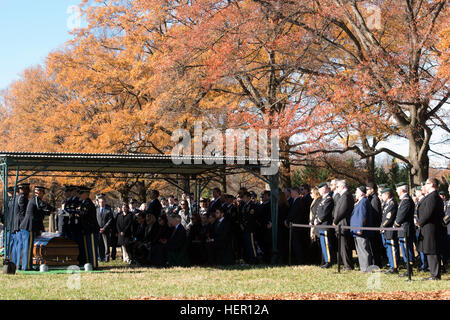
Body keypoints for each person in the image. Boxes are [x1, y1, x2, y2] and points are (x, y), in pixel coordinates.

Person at [19, 186, 54, 270]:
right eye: (42, 193)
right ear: (39, 192)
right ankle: (26, 266)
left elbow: (40, 212)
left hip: (28, 226)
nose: (43, 195)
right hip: (28, 226)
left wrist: (50, 211)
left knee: (28, 247)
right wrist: (54, 209)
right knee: (28, 247)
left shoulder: (34, 199)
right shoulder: (36, 199)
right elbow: (43, 205)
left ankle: (27, 265)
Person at [416, 178, 444, 280]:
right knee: (430, 250)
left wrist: (420, 222)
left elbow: (428, 213)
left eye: (426, 184)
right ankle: (433, 273)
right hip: (428, 228)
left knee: (432, 251)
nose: (425, 186)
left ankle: (435, 275)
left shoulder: (433, 197)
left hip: (431, 228)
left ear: (432, 184)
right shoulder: (431, 196)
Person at [394, 182, 416, 277]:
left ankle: (409, 270)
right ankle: (408, 269)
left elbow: (401, 215)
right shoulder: (404, 200)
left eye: (397, 189)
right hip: (403, 229)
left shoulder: (406, 200)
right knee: (404, 249)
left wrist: (396, 224)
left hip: (405, 228)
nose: (396, 191)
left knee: (407, 250)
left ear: (402, 190)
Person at [350, 186, 373, 272]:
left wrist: (360, 228)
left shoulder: (363, 201)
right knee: (359, 250)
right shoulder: (360, 201)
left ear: (362, 193)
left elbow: (362, 216)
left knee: (363, 249)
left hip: (360, 231)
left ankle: (366, 268)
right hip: (356, 230)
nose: (355, 192)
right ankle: (363, 267)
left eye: (357, 191)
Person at [333, 180, 354, 270]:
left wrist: (335, 221)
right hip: (340, 223)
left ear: (342, 187)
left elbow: (342, 211)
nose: (336, 188)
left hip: (343, 223)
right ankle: (345, 264)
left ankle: (348, 265)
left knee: (345, 246)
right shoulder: (343, 196)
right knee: (342, 246)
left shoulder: (346, 196)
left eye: (337, 186)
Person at [286, 187, 309, 265]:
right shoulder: (294, 201)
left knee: (298, 244)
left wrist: (288, 220)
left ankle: (300, 261)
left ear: (296, 192)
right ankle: (298, 260)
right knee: (295, 244)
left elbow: (294, 213)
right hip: (294, 225)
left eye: (292, 192)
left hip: (297, 226)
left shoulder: (299, 201)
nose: (291, 193)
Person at [78, 187, 100, 269]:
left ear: (86, 194)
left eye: (81, 193)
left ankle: (94, 264)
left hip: (91, 229)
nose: (80, 195)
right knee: (87, 248)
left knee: (92, 248)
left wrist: (77, 212)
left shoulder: (88, 203)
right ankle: (89, 264)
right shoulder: (84, 203)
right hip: (86, 229)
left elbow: (83, 214)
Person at [380, 187, 400, 274]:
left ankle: (394, 267)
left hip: (390, 229)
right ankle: (391, 265)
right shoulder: (387, 204)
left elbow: (389, 218)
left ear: (387, 195)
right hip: (386, 230)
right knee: (388, 248)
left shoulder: (392, 204)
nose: (381, 197)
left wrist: (382, 226)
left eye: (382, 195)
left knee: (392, 248)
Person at [315, 182, 334, 268]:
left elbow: (325, 212)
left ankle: (328, 261)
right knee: (323, 244)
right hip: (321, 225)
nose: (318, 190)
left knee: (326, 244)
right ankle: (325, 260)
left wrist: (318, 220)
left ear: (324, 189)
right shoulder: (323, 199)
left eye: (320, 189)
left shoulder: (328, 199)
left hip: (325, 225)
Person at [12, 183, 30, 268]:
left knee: (19, 245)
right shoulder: (22, 198)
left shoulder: (15, 198)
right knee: (24, 245)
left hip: (17, 224)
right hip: (22, 224)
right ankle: (24, 265)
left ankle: (18, 264)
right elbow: (23, 213)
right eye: (27, 189)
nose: (28, 191)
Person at [240, 191, 261, 264]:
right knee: (247, 244)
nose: (243, 199)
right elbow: (242, 216)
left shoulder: (252, 205)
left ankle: (255, 258)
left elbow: (251, 217)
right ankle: (249, 259)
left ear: (248, 197)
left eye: (244, 197)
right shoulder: (244, 206)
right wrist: (242, 224)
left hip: (250, 227)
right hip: (245, 228)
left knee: (251, 244)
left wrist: (245, 224)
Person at [366, 182, 384, 267]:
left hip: (374, 227)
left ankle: (377, 263)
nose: (366, 191)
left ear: (372, 190)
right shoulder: (371, 198)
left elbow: (375, 214)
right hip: (372, 226)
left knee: (375, 246)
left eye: (367, 189)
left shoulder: (375, 199)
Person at [96, 194, 114, 262]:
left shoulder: (108, 210)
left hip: (105, 230)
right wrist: (98, 228)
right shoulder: (96, 209)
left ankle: (107, 258)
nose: (101, 203)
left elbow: (110, 220)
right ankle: (101, 257)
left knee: (106, 244)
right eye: (100, 202)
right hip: (98, 230)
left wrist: (104, 228)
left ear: (105, 202)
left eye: (103, 202)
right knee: (99, 244)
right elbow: (95, 219)